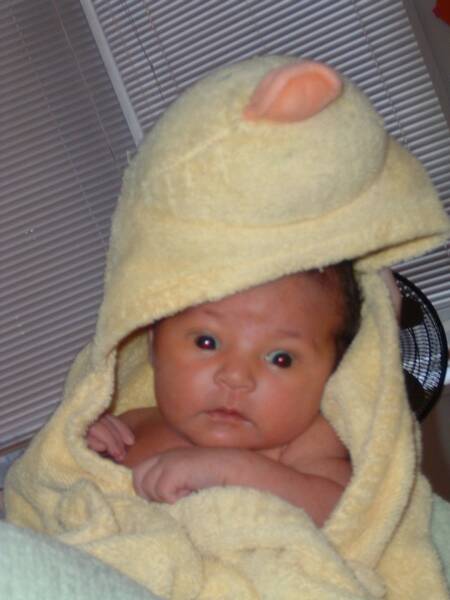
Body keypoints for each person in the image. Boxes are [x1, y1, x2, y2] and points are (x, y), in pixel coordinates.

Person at [87, 262, 361, 526]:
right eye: (206, 342)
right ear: (153, 346)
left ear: (333, 373)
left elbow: (345, 513)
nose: (236, 377)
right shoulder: (132, 428)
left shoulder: (309, 441)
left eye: (281, 359)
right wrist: (84, 444)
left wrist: (231, 470)